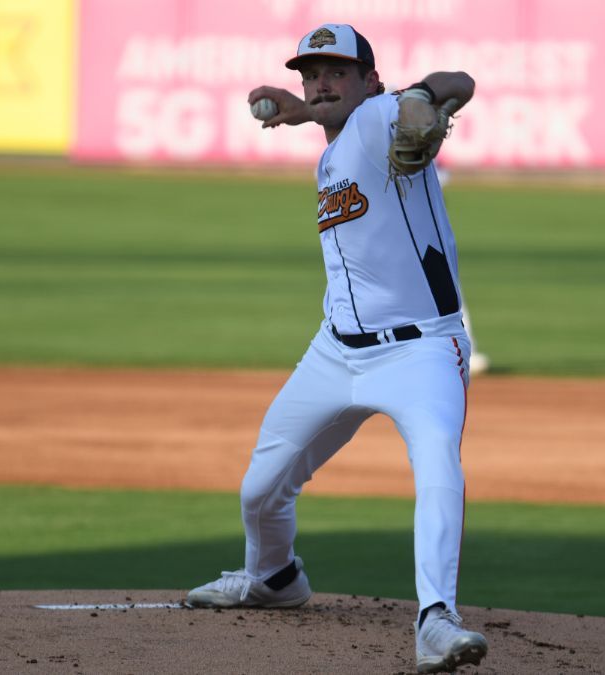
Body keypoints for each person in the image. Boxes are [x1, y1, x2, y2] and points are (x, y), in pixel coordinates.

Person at [185, 23, 488, 673]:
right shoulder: (336, 144)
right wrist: (306, 113)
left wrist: (421, 97)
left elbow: (457, 82)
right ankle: (274, 577)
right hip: (334, 351)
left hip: (421, 352)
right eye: (311, 75)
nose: (321, 83)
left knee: (438, 464)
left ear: (370, 81)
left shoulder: (381, 116)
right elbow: (337, 118)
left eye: (337, 73)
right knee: (260, 490)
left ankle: (437, 617)